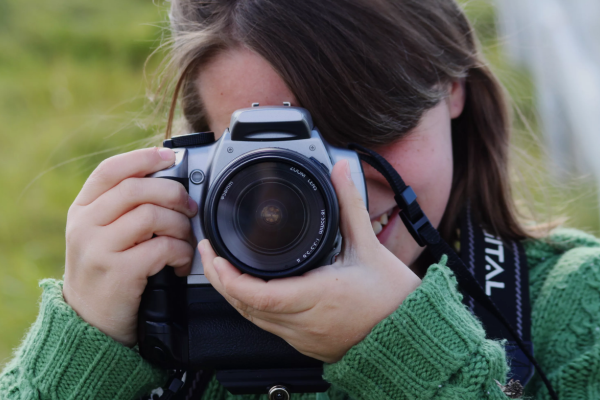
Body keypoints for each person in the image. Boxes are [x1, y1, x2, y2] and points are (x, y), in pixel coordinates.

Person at [2, 0, 600, 399]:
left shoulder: (572, 308)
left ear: (450, 89)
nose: (336, 189)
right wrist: (81, 351)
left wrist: (407, 350)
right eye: (279, 162)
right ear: (205, 155)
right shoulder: (153, 316)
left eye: (368, 132)